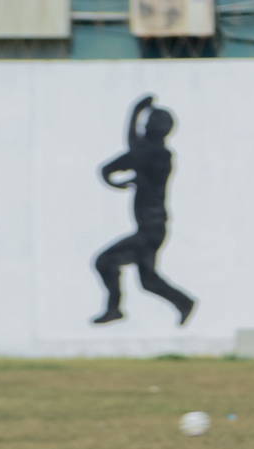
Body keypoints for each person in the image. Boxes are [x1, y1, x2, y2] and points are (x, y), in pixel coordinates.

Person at [92, 95, 195, 326]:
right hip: (151, 229)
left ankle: (115, 308)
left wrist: (136, 110)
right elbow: (109, 168)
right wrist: (115, 181)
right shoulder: (149, 153)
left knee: (105, 261)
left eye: (147, 124)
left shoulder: (157, 155)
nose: (144, 128)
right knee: (147, 280)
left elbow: (129, 150)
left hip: (151, 230)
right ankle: (184, 302)